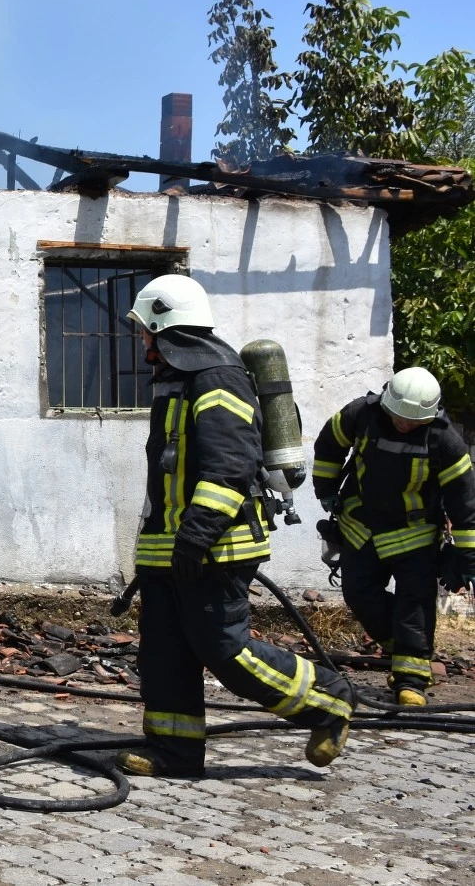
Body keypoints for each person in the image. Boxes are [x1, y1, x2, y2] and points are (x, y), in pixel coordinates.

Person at [118, 274, 354, 777]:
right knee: (164, 655)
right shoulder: (179, 380)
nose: (141, 340)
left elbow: (229, 466)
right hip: (169, 551)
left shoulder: (216, 377)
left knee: (224, 650)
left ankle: (327, 700)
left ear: (163, 327)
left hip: (214, 549)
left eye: (143, 329)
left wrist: (197, 537)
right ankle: (174, 752)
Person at [312, 367, 475, 706]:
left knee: (413, 607)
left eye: (413, 421)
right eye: (399, 416)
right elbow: (329, 446)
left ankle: (411, 681)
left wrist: (468, 556)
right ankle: (400, 647)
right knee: (358, 594)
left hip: (414, 535)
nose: (404, 424)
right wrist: (325, 490)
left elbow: (464, 503)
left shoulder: (445, 441)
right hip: (361, 527)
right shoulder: (360, 415)